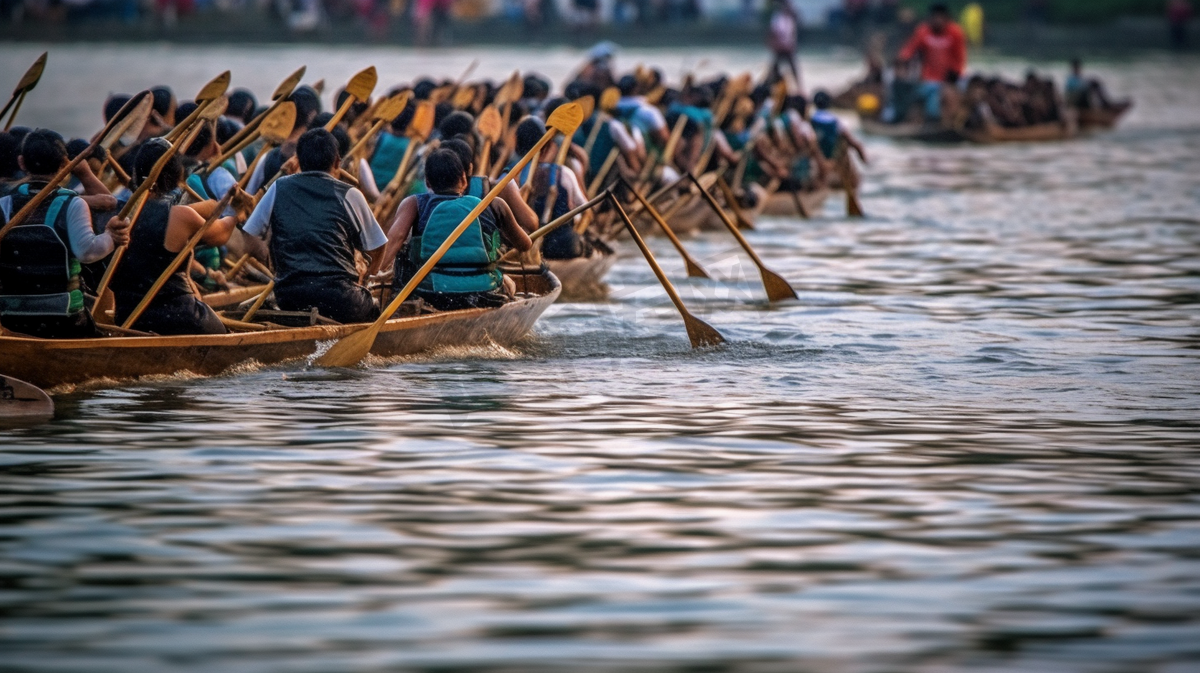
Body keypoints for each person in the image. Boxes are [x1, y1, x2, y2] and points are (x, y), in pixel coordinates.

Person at [243, 128, 388, 324]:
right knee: (375, 307)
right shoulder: (350, 193)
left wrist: (270, 262)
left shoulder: (279, 187)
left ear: (299, 161)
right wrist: (368, 278)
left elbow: (249, 235)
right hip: (341, 300)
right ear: (337, 161)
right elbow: (379, 246)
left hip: (290, 298)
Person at [109, 139, 248, 335]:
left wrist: (211, 207)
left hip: (128, 320)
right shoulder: (179, 216)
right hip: (179, 319)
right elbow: (221, 234)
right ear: (177, 173)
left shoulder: (117, 214)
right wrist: (237, 213)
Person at [0, 129, 131, 339]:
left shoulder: (4, 204)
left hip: (11, 317)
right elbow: (87, 252)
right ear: (64, 164)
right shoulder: (73, 203)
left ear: (22, 163)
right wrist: (110, 237)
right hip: (64, 319)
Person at [383, 149, 532, 311]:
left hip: (432, 294)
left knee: (404, 256)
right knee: (504, 279)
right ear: (463, 179)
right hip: (484, 292)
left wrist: (375, 274)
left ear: (427, 182)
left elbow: (395, 239)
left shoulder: (414, 203)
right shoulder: (494, 205)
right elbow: (525, 245)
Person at [897, 3, 967, 124]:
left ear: (946, 18)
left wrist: (954, 75)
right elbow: (909, 50)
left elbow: (960, 58)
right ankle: (932, 118)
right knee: (930, 94)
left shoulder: (955, 32)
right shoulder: (923, 31)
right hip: (928, 79)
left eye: (940, 18)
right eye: (935, 17)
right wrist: (902, 62)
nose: (937, 21)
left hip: (951, 77)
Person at [767, 0, 802, 93]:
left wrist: (792, 45)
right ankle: (769, 87)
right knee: (775, 68)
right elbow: (774, 33)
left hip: (788, 47)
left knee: (793, 68)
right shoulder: (778, 17)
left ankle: (799, 88)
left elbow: (792, 34)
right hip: (781, 47)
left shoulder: (790, 18)